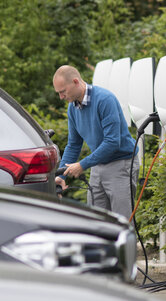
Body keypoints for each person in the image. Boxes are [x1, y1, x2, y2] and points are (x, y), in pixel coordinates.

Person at [53, 65, 139, 219]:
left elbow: (113, 142)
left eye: (63, 91)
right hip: (98, 165)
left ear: (75, 82)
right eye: (58, 93)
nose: (61, 97)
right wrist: (61, 176)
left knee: (121, 222)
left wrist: (82, 165)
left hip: (121, 165)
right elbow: (73, 145)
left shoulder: (105, 100)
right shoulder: (73, 108)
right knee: (95, 220)